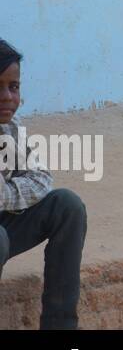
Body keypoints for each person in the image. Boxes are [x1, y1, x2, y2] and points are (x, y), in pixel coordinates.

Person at [0, 39, 87, 329]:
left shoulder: (10, 129)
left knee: (67, 206)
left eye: (13, 87)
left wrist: (5, 194)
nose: (7, 97)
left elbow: (40, 178)